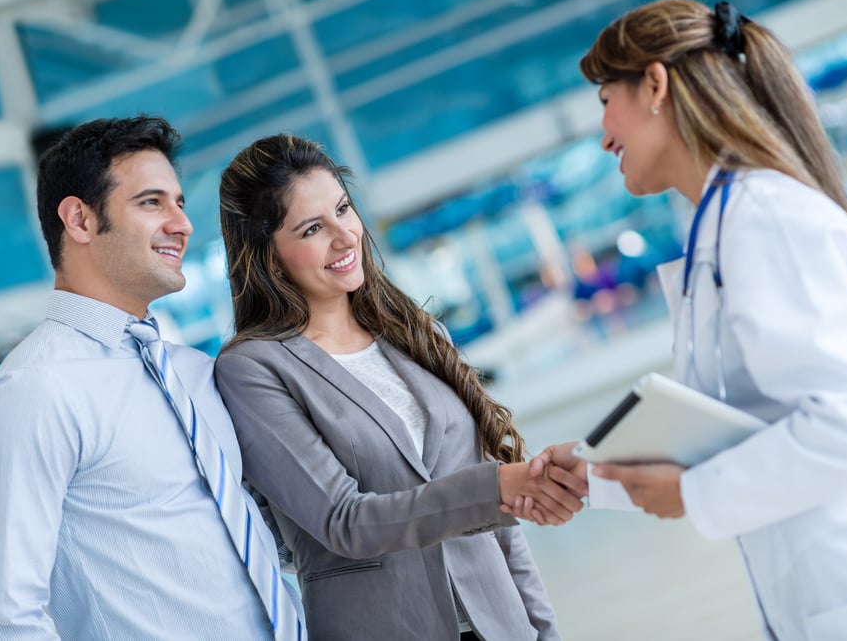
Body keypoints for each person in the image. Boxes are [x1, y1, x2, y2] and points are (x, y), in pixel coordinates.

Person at [523, 0, 847, 641]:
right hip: (822, 586)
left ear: (655, 84)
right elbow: (741, 422)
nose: (604, 133)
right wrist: (594, 468)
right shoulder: (720, 222)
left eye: (606, 100)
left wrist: (696, 492)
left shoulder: (767, 216)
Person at [214, 133, 584, 640]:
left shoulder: (415, 332)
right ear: (269, 256)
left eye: (343, 209)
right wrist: (498, 487)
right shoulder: (254, 369)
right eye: (313, 228)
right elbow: (345, 521)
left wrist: (541, 629)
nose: (345, 237)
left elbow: (496, 516)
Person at [0, 116, 302, 640]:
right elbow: (2, 623)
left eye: (181, 203)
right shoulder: (34, 393)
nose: (182, 224)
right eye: (152, 202)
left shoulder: (192, 374)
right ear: (80, 220)